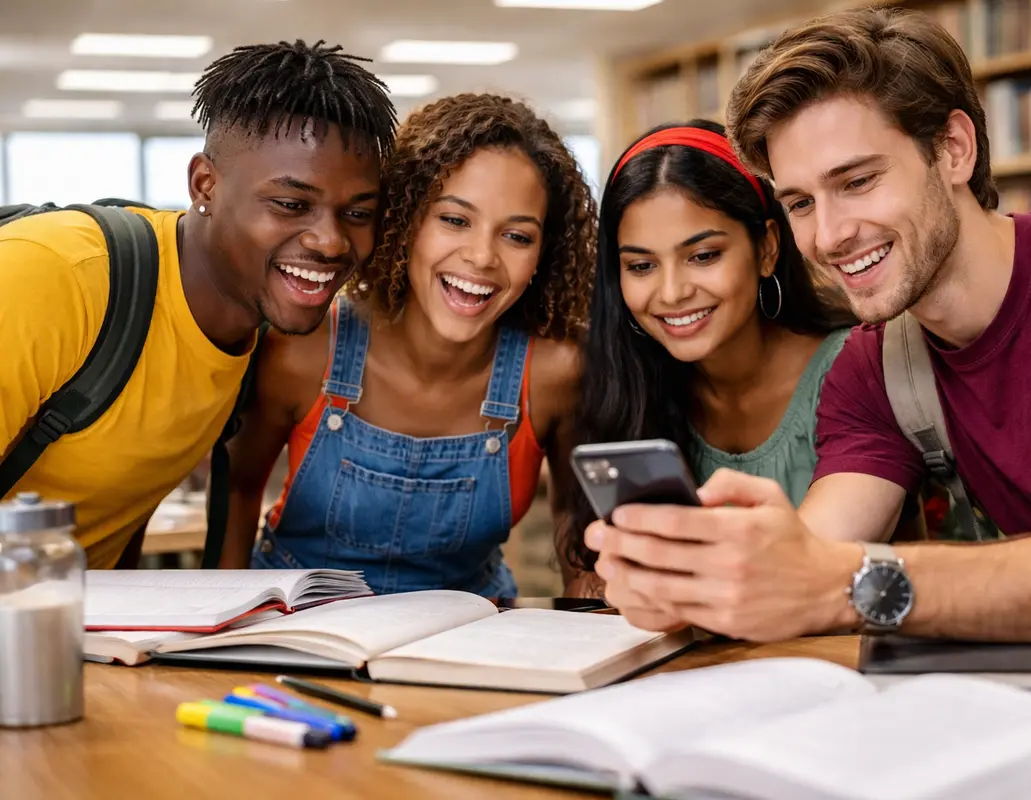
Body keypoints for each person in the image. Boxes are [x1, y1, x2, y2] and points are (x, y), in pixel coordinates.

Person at [585, 7, 1031, 647]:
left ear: (953, 150)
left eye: (857, 181)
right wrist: (706, 581)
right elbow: (809, 564)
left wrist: (839, 579)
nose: (827, 236)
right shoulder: (871, 367)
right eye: (800, 202)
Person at [0, 40, 396, 569]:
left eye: (357, 214)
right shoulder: (51, 277)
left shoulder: (260, 329)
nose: (329, 241)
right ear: (204, 184)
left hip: (76, 625)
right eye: (290, 205)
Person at [219, 93, 598, 600]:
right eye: (454, 220)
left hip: (468, 628)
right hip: (300, 622)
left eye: (517, 236)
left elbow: (579, 530)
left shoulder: (553, 373)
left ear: (543, 256)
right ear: (405, 220)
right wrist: (223, 627)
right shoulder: (307, 351)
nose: (482, 256)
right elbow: (239, 493)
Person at [563, 119, 859, 578]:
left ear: (766, 248)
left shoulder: (849, 368)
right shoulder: (630, 385)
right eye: (641, 265)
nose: (672, 292)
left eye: (703, 256)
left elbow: (813, 576)